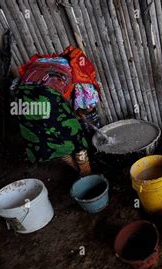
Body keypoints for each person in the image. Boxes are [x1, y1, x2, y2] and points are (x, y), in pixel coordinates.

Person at [14, 46, 101, 175]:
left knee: (49, 138)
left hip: (21, 98)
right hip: (46, 97)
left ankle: (76, 170)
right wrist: (80, 114)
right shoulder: (79, 72)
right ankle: (86, 173)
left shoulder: (44, 62)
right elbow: (87, 105)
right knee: (76, 136)